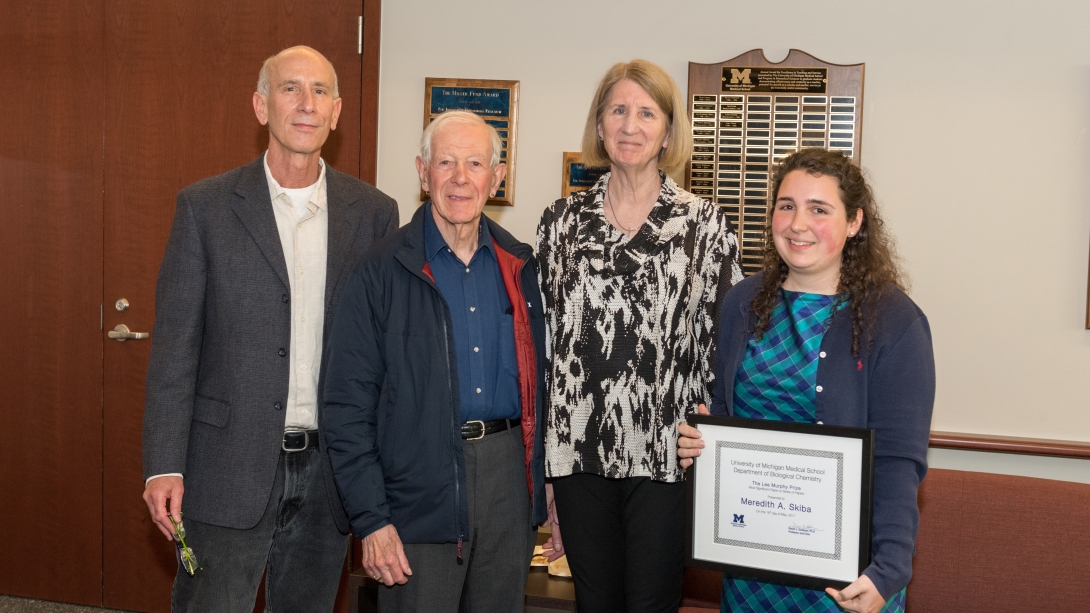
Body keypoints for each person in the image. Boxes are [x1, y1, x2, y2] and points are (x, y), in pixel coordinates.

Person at [141, 46, 398, 612]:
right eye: (290, 89)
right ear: (261, 106)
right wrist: (163, 463)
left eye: (320, 91)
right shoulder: (204, 208)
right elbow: (174, 348)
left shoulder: (374, 213)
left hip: (330, 473)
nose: (305, 104)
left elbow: (380, 353)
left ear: (336, 112)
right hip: (224, 467)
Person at [678, 148, 935, 613]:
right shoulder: (741, 302)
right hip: (752, 563)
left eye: (819, 210)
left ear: (854, 222)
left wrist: (889, 570)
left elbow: (899, 461)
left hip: (847, 579)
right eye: (787, 205)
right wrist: (702, 440)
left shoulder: (894, 322)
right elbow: (723, 411)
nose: (798, 224)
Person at [535, 59, 743, 612]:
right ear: (600, 125)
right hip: (579, 456)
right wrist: (547, 474)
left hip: (667, 457)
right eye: (618, 110)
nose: (631, 124)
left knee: (652, 604)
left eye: (647, 112)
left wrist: (717, 430)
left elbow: (727, 347)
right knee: (595, 604)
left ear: (669, 131)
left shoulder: (703, 226)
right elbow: (546, 346)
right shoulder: (560, 224)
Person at [322, 110, 547, 612]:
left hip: (506, 483)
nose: (460, 178)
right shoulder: (379, 272)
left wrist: (543, 486)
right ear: (423, 173)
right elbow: (345, 407)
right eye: (445, 162)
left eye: (474, 163)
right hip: (415, 492)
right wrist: (372, 519)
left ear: (498, 177)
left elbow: (543, 388)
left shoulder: (522, 266)